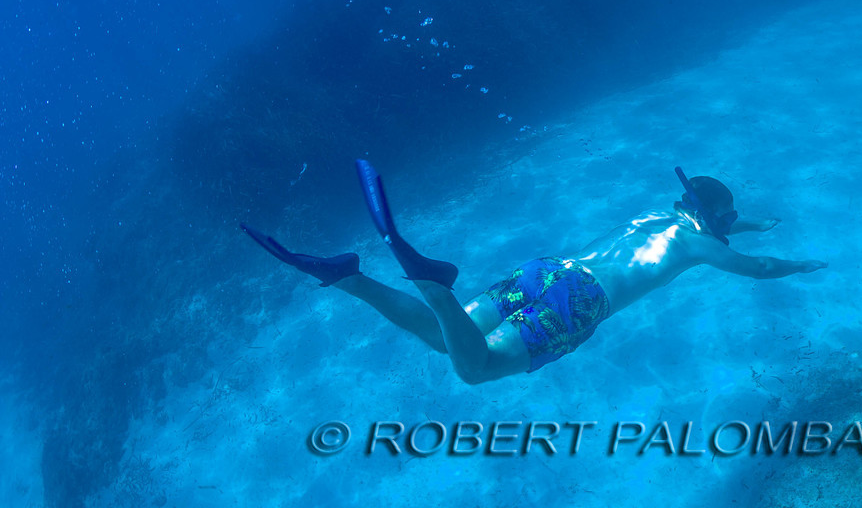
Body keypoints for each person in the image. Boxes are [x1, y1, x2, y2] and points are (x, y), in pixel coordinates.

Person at [241, 162, 826, 384]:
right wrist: (799, 262)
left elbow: (703, 220)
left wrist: (744, 222)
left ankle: (347, 278)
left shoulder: (656, 214)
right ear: (714, 221)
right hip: (580, 301)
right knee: (474, 369)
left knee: (444, 341)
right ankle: (432, 284)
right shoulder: (701, 249)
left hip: (549, 271)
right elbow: (757, 269)